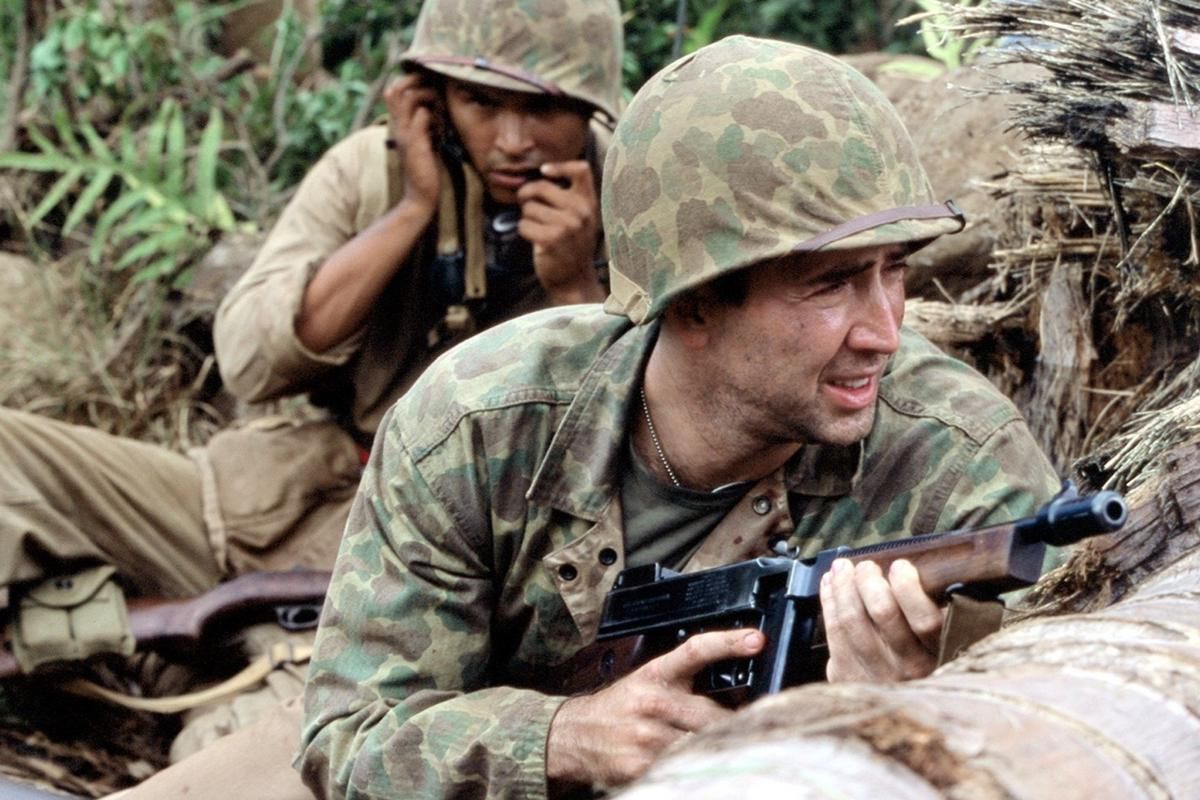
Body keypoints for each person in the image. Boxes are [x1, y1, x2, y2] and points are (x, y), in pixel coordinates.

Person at [297, 35, 1063, 800]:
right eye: (831, 285)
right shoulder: (479, 426)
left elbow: (1068, 742)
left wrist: (904, 724)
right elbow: (353, 740)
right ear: (692, 303)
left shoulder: (961, 467)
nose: (885, 333)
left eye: (893, 270)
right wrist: (567, 738)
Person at [0, 0, 622, 773]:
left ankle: (177, 682)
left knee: (251, 750)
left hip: (414, 571)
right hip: (270, 491)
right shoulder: (375, 170)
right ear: (429, 100)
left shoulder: (628, 198)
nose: (513, 139)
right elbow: (250, 363)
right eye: (481, 101)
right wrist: (411, 210)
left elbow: (629, 453)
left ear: (590, 109)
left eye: (544, 108)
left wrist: (574, 290)